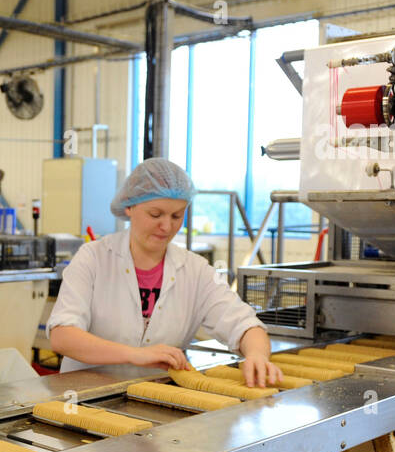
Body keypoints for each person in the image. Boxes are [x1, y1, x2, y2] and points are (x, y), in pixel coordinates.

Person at [47, 158, 283, 388]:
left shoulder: (195, 270)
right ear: (129, 206)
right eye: (156, 214)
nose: (167, 226)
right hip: (83, 398)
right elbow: (62, 335)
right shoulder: (94, 257)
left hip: (156, 401)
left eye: (177, 216)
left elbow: (245, 325)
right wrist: (133, 355)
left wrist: (257, 355)